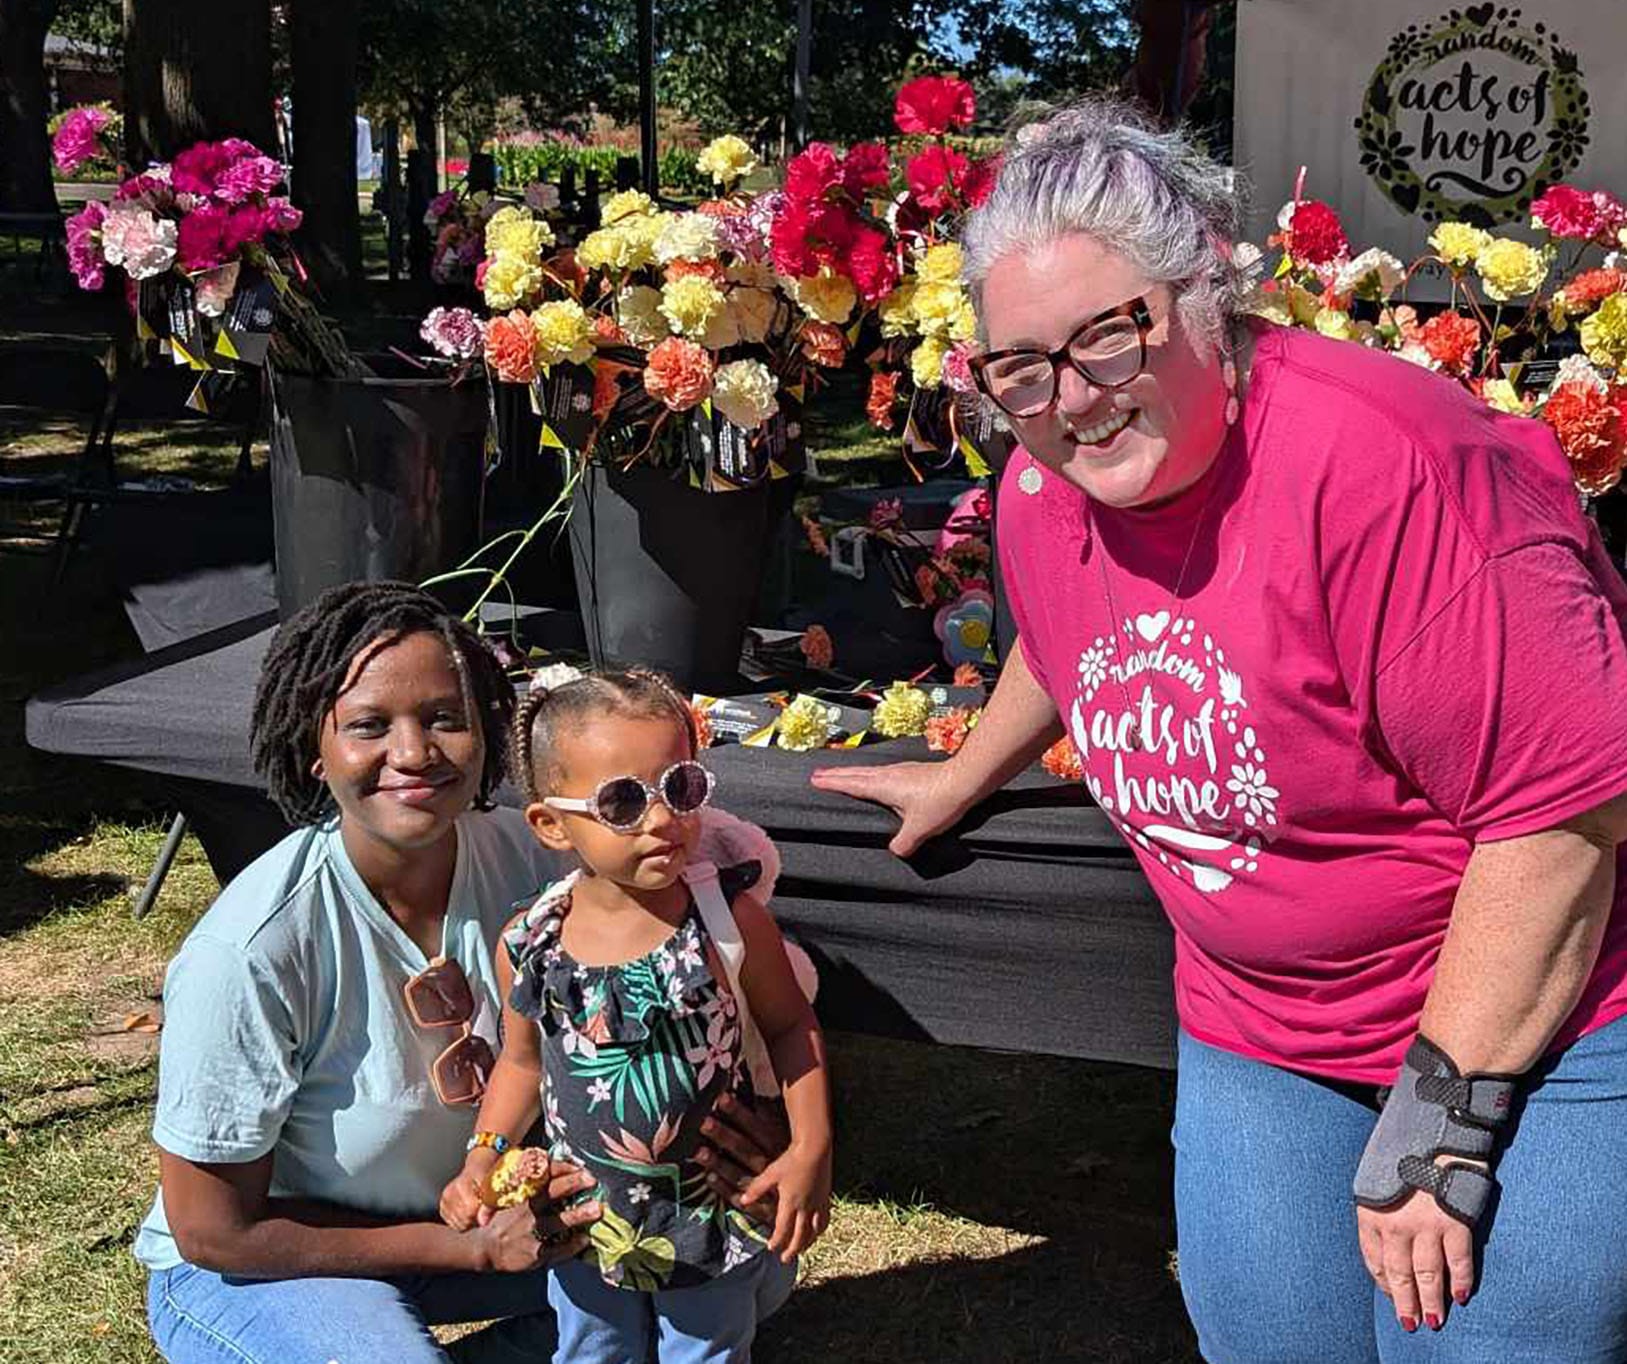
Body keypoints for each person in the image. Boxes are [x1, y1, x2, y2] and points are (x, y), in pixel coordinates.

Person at [813, 99, 1627, 1364]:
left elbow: (1559, 819)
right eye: (1021, 366)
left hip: (1542, 1014)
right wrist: (966, 769)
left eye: (1108, 337)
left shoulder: (1395, 472)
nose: (1071, 401)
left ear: (1206, 296)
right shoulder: (1043, 481)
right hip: (1264, 1022)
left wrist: (1438, 1127)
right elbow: (1068, 628)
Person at [137, 584, 785, 1363]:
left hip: (497, 1222)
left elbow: (712, 1005)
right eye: (369, 726)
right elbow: (213, 1230)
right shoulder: (249, 952)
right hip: (273, 1260)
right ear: (315, 746)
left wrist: (746, 1129)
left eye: (445, 718)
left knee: (752, 1274)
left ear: (485, 728)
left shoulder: (549, 863)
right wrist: (472, 1252)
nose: (413, 754)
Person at [443, 669, 830, 1364]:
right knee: (593, 1348)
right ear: (551, 825)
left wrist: (810, 1147)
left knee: (706, 1349)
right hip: (586, 1217)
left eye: (679, 787)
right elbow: (521, 1062)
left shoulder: (725, 924)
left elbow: (789, 1026)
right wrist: (484, 1156)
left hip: (708, 1206)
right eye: (622, 802)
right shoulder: (529, 943)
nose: (662, 819)